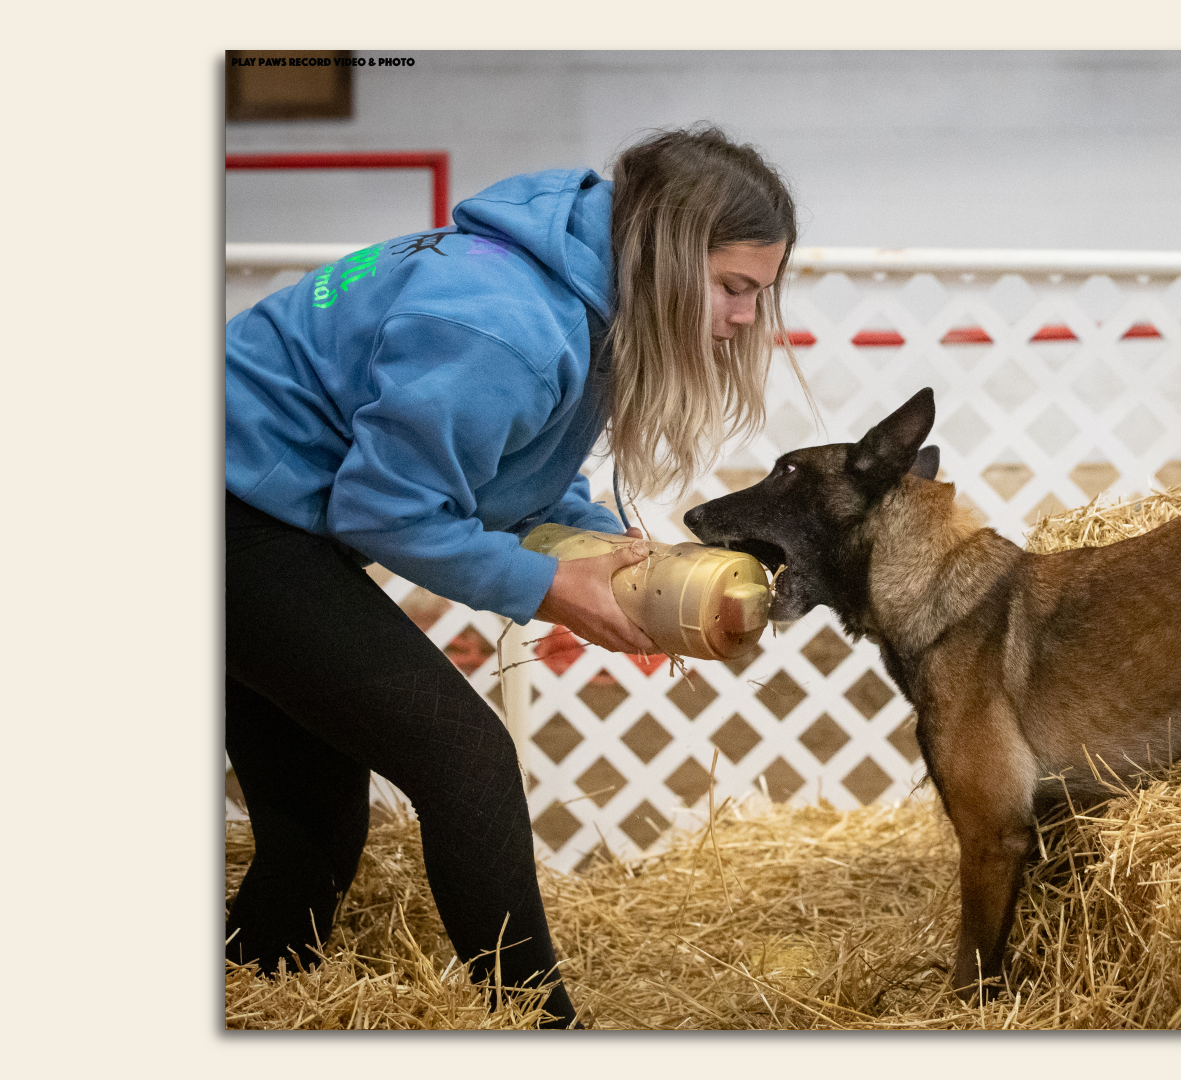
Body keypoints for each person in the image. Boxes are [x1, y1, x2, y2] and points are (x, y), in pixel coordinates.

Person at [224, 126, 798, 1028]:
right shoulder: (504, 322)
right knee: (466, 760)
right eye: (733, 289)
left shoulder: (579, 288)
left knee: (314, 832)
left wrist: (612, 549)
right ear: (665, 253)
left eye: (757, 296)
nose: (744, 320)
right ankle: (544, 1030)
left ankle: (242, 1003)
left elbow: (514, 468)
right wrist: (552, 589)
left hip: (267, 509)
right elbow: (383, 509)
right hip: (232, 514)